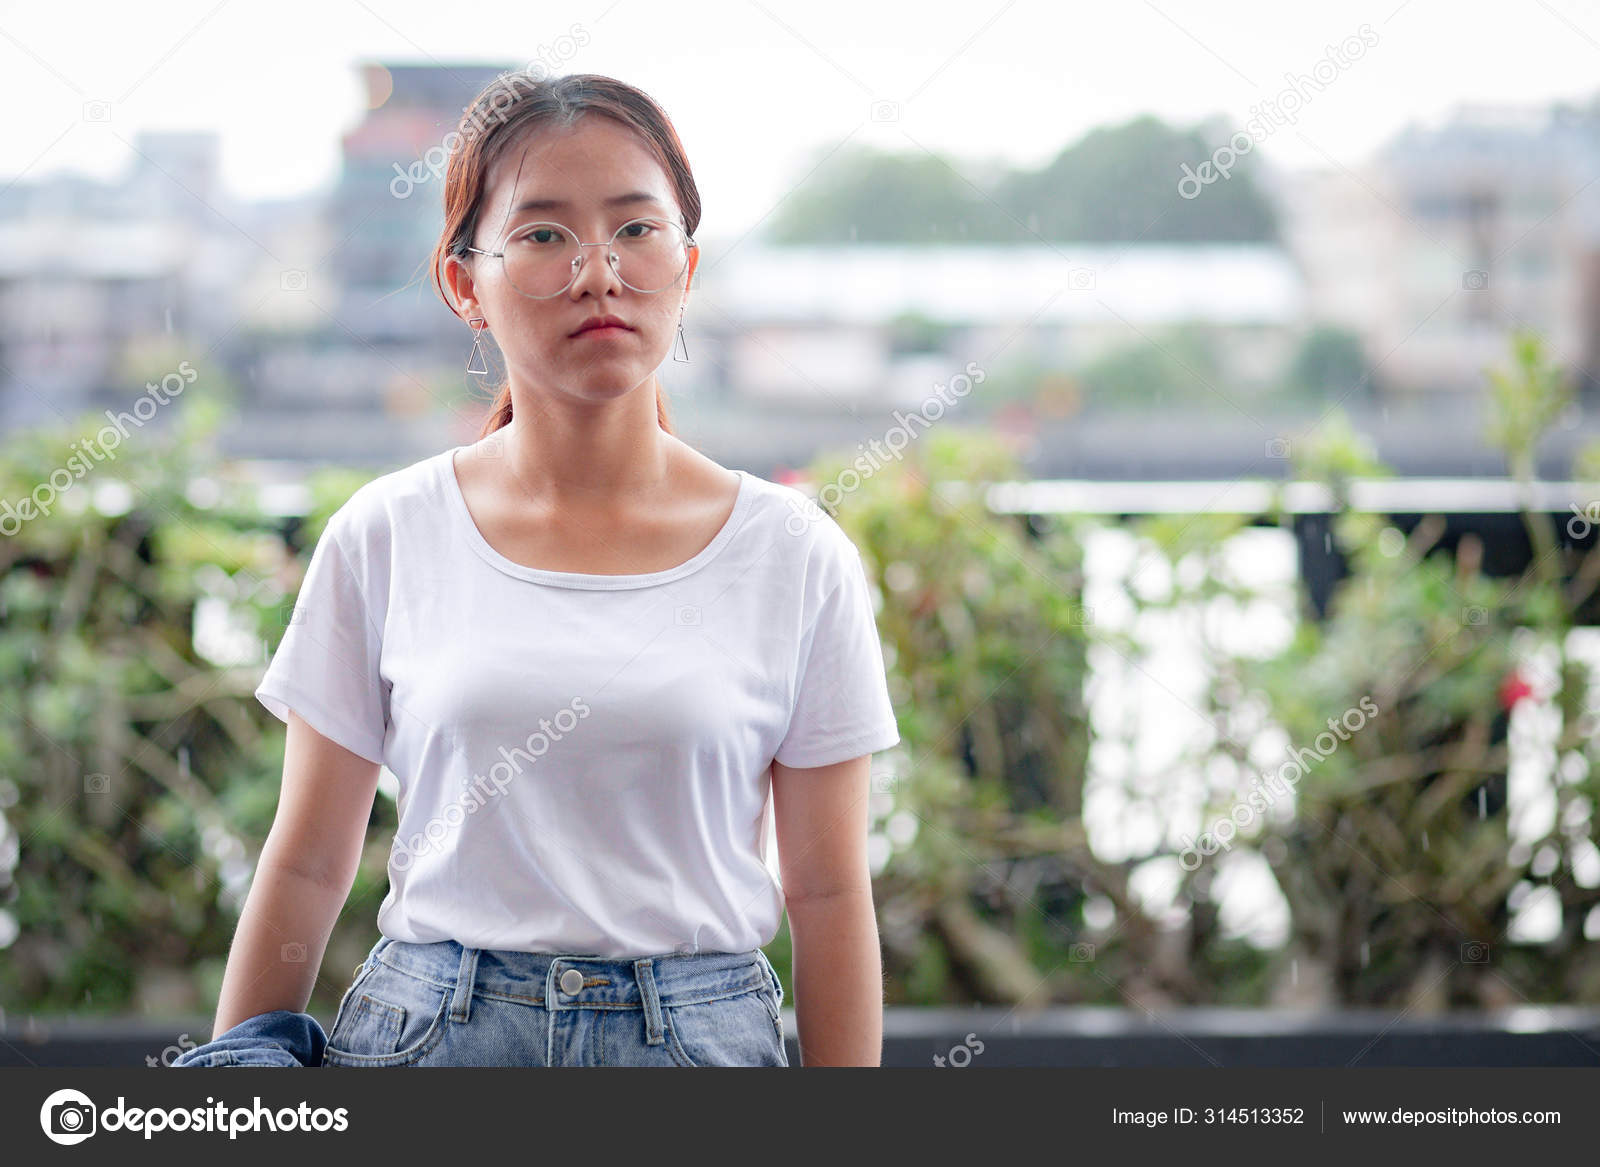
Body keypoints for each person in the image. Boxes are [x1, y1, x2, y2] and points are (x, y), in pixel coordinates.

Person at [177, 72, 900, 1069]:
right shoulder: (386, 533)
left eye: (637, 230)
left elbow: (825, 895)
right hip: (434, 1039)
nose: (597, 271)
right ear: (464, 283)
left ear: (686, 268)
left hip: (701, 1047)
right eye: (545, 234)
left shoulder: (792, 554)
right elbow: (307, 863)